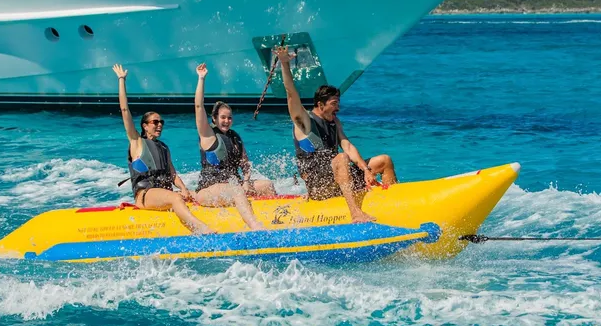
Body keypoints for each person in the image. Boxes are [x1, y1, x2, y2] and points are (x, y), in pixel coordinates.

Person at [275, 47, 398, 223]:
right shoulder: (304, 121)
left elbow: (347, 145)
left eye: (338, 103)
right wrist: (285, 64)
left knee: (384, 160)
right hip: (319, 186)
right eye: (334, 103)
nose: (338, 108)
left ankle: (394, 204)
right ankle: (355, 214)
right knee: (341, 158)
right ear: (320, 104)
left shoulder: (335, 122)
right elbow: (291, 94)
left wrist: (365, 170)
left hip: (339, 176)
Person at [113, 64, 212, 234]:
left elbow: (172, 174)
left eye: (161, 123)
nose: (159, 125)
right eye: (155, 122)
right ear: (144, 126)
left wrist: (184, 189)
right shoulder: (137, 141)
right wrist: (121, 80)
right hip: (146, 194)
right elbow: (124, 110)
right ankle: (202, 230)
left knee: (196, 195)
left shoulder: (163, 147)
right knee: (174, 198)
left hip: (164, 192)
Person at [192, 64, 268, 230]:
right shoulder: (208, 135)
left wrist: (247, 182)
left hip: (234, 185)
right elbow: (198, 107)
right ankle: (255, 226)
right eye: (223, 117)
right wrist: (201, 78)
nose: (226, 121)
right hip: (208, 190)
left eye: (229, 118)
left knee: (266, 185)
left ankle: (279, 216)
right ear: (214, 119)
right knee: (236, 190)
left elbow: (245, 165)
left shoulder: (235, 138)